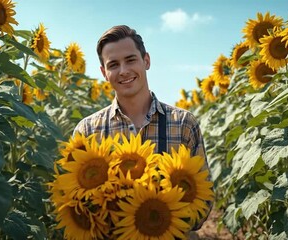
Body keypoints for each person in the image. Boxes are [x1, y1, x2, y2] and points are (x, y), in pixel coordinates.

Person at [73, 25, 212, 236]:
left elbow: (204, 201)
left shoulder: (183, 123)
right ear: (104, 73)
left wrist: (163, 215)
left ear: (146, 61)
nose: (123, 71)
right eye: (113, 64)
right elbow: (75, 202)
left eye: (130, 60)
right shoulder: (88, 131)